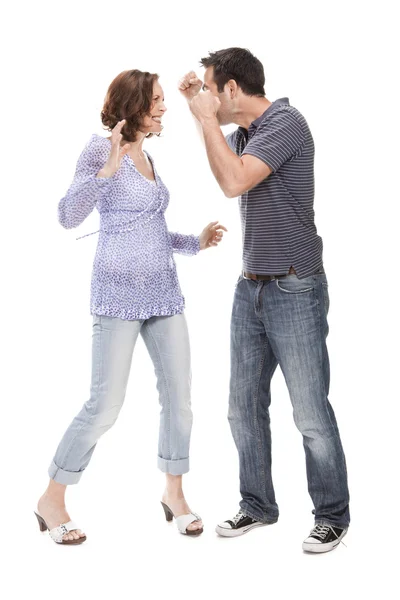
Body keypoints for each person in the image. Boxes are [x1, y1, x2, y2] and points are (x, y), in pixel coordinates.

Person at [35, 69, 227, 545]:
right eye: (157, 101)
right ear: (134, 105)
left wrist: (195, 243)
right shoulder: (102, 149)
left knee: (179, 401)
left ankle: (175, 494)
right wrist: (105, 170)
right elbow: (67, 216)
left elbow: (149, 230)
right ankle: (52, 498)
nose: (163, 108)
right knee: (105, 405)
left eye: (164, 100)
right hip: (118, 295)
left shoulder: (149, 155)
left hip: (163, 292)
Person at [178, 47, 350, 553]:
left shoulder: (286, 123)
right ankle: (257, 505)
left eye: (211, 88)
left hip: (294, 286)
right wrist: (198, 112)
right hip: (249, 286)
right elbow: (224, 164)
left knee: (310, 413)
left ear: (232, 89)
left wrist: (203, 116)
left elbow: (233, 180)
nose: (208, 96)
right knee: (242, 408)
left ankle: (332, 515)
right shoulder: (247, 134)